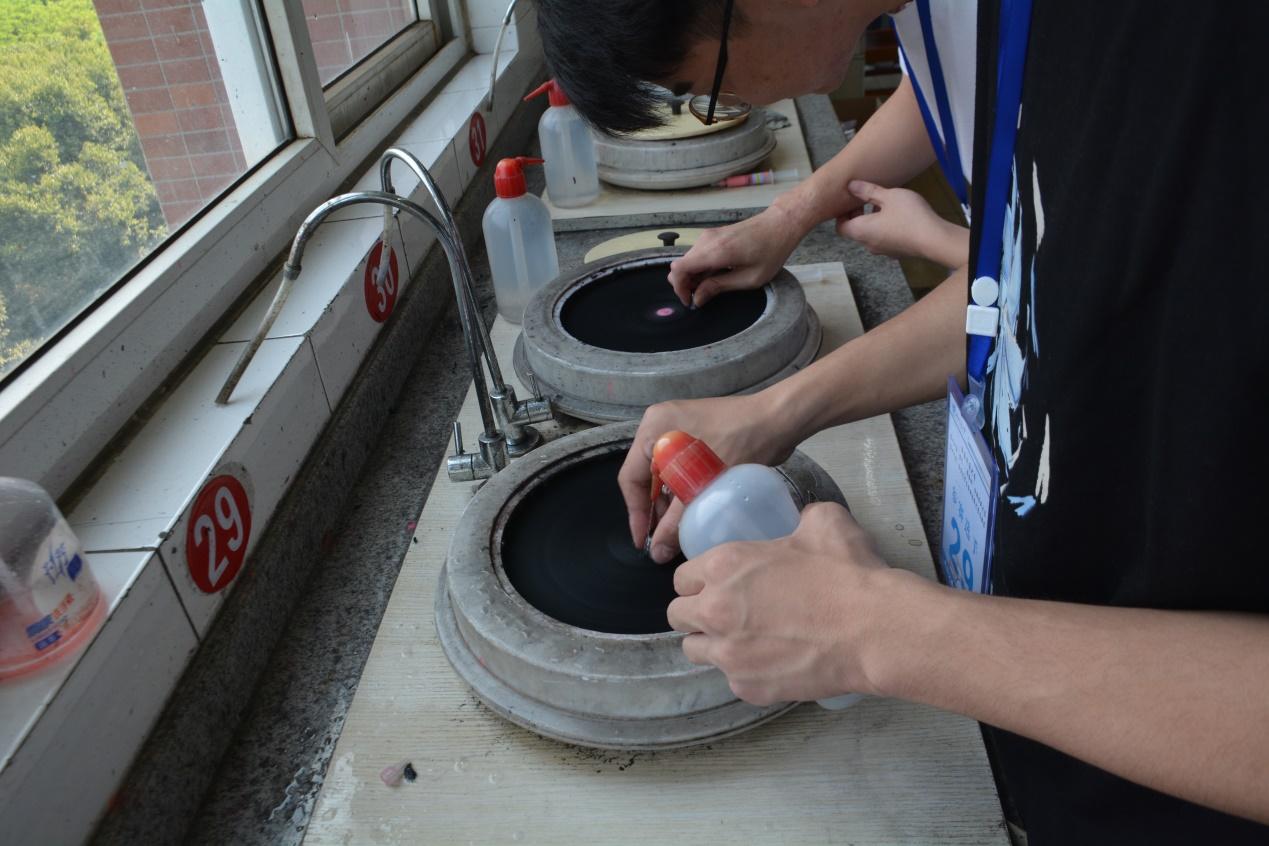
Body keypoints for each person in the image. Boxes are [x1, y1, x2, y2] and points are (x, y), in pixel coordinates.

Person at [534, 1, 1269, 843]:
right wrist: (773, 411)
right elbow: (1022, 288)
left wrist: (884, 631)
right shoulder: (1027, 31)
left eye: (704, 94)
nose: (734, 109)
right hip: (1075, 727)